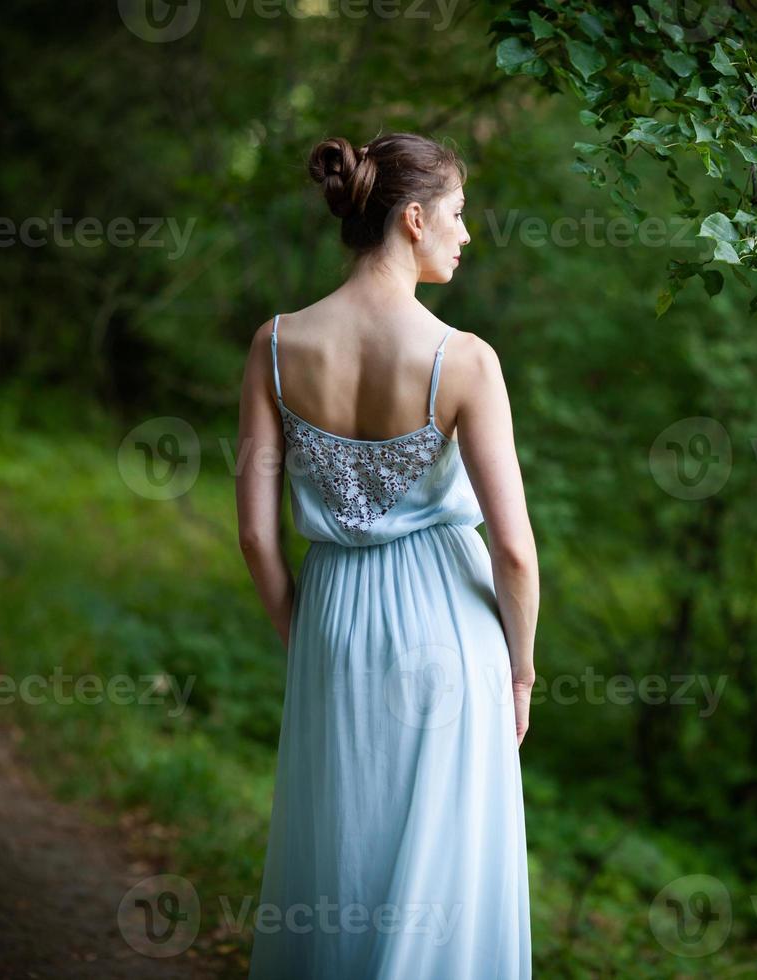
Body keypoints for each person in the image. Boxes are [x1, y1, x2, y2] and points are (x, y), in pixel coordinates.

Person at [236, 132, 537, 979]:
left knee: (337, 857)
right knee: (444, 873)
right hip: (449, 628)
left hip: (331, 621)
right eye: (457, 214)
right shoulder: (465, 361)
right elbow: (513, 549)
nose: (466, 232)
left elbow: (257, 534)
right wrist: (521, 670)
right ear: (413, 219)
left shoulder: (275, 344)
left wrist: (301, 631)